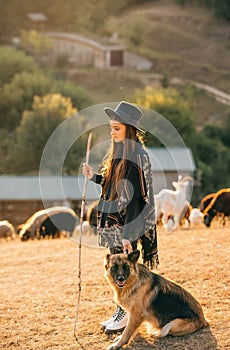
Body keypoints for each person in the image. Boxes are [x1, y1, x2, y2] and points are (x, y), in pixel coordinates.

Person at [82, 101, 159, 333]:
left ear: (129, 128)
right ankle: (122, 311)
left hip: (129, 223)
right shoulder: (120, 152)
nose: (112, 132)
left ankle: (127, 314)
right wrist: (94, 177)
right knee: (118, 270)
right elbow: (112, 184)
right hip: (116, 223)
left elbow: (137, 198)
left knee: (125, 272)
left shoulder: (138, 155)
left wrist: (128, 235)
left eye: (117, 128)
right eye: (111, 128)